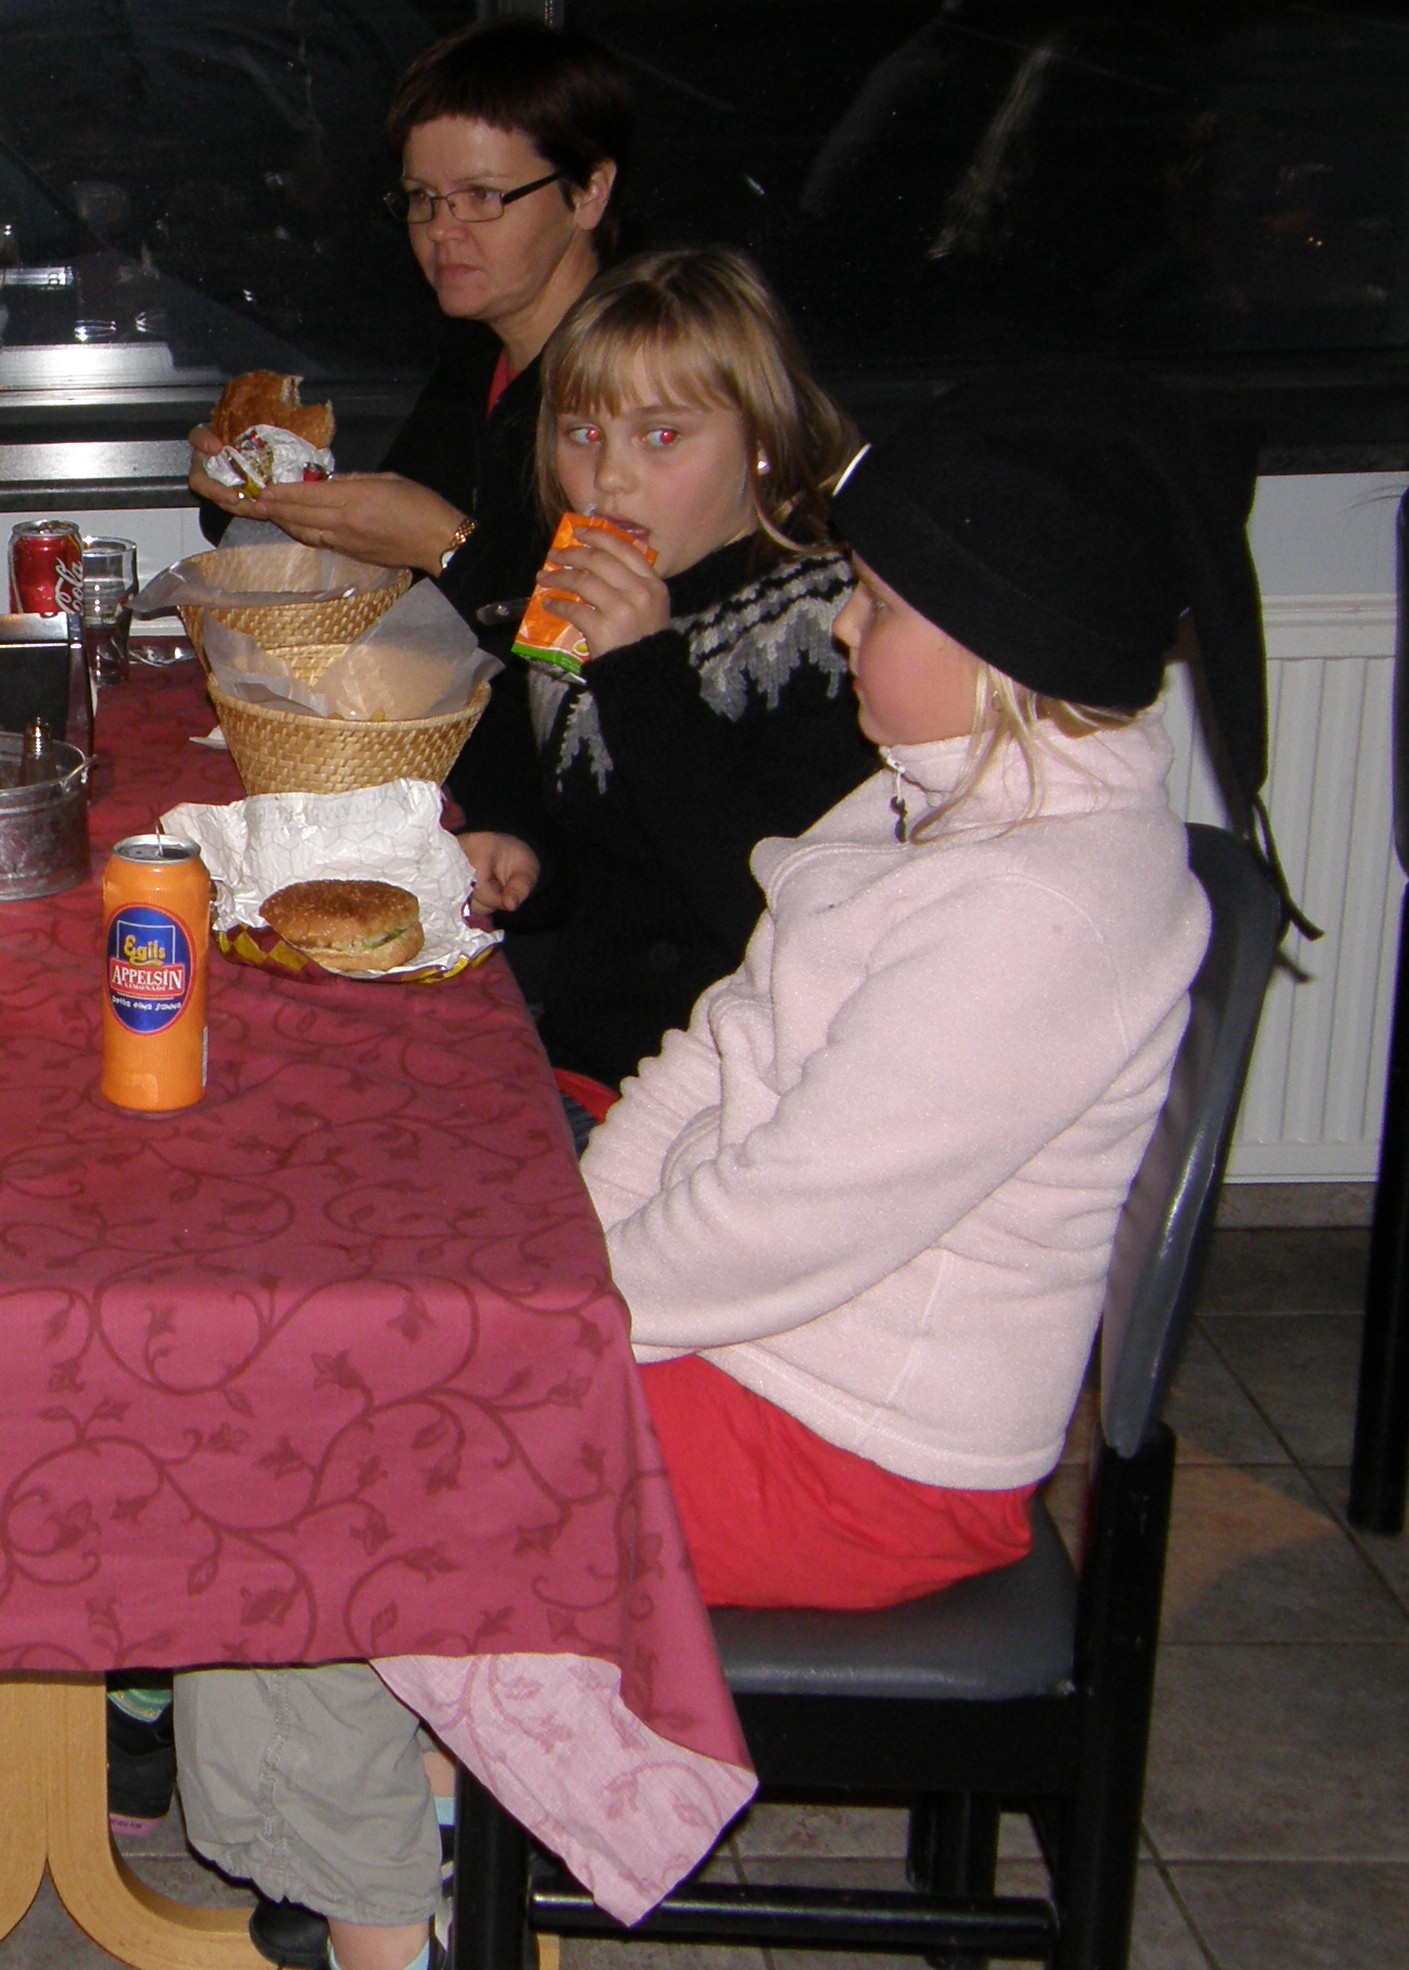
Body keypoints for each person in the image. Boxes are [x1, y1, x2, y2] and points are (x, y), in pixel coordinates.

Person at [178, 366, 1280, 1970]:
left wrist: (549, 1327)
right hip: (764, 1362)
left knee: (337, 1451)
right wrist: (570, 1249)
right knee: (352, 1350)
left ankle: (381, 1927)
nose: (841, 624)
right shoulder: (931, 801)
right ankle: (405, 1797)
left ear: (1002, 659)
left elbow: (785, 1223)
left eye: (881, 605)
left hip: (861, 1456)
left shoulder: (1045, 913)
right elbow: (719, 1046)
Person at [454, 247, 877, 1097]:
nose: (609, 478)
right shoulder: (596, 583)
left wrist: (640, 670)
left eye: (663, 436)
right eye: (583, 434)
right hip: (581, 1043)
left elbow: (772, 914)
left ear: (761, 441)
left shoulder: (831, 630)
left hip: (726, 1089)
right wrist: (520, 848)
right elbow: (590, 830)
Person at [189, 17, 634, 637]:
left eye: (482, 196)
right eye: (423, 197)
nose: (441, 229)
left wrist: (443, 543)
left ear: (588, 192)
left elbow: (595, 650)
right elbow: (376, 563)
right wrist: (257, 489)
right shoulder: (475, 358)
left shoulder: (641, 383)